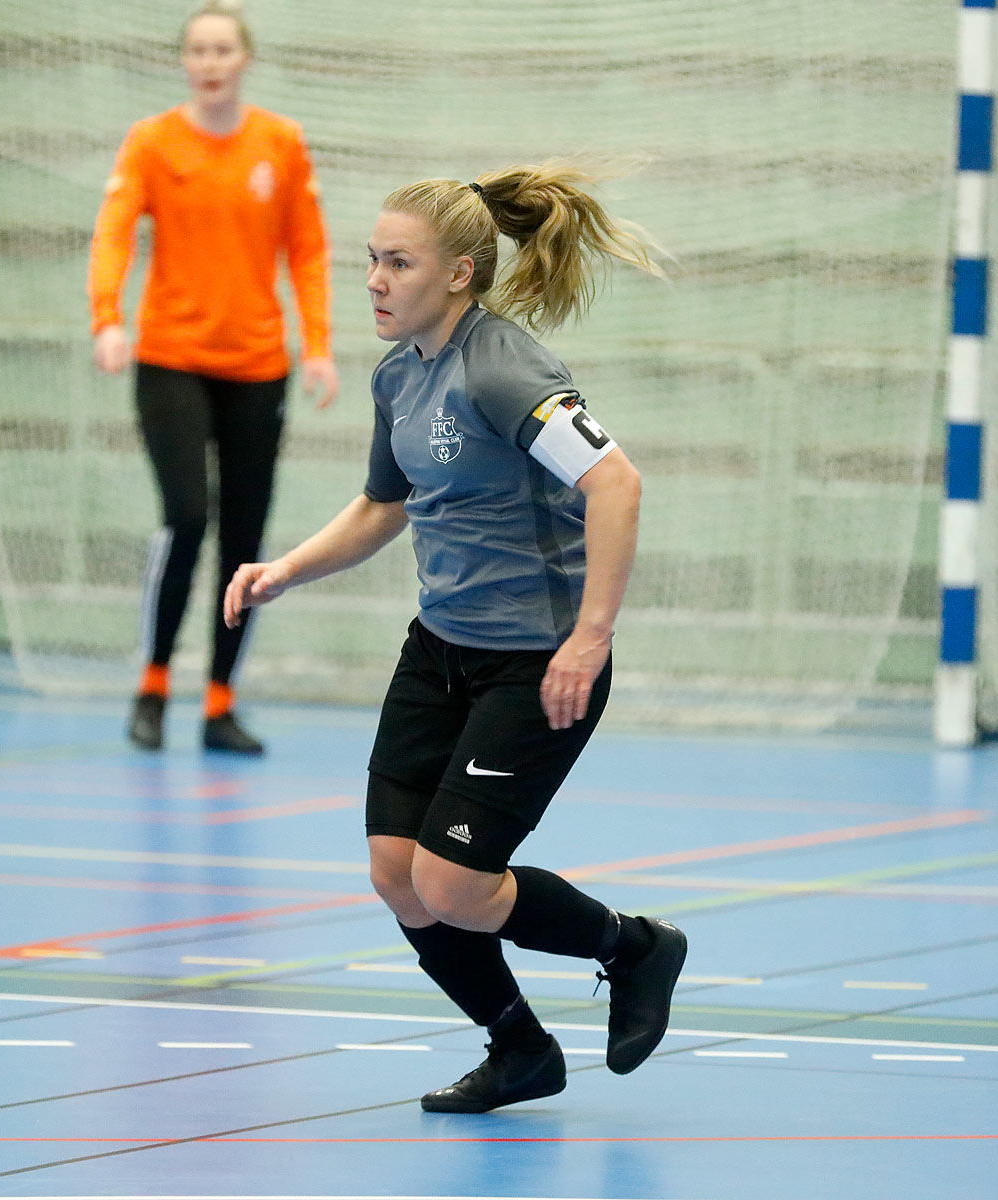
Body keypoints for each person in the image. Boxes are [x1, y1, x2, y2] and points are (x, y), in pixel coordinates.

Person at [224, 163, 687, 1113]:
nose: (376, 281)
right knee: (397, 877)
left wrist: (588, 639)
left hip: (535, 664)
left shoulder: (504, 365)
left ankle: (635, 948)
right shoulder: (398, 377)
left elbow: (617, 485)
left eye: (399, 263)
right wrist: (284, 570)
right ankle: (519, 1047)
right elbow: (381, 506)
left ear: (462, 274)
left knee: (455, 883)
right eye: (371, 261)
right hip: (438, 652)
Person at [89, 0, 337, 755]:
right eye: (198, 48)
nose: (210, 60)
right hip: (170, 361)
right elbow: (114, 231)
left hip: (257, 366)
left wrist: (318, 343)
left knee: (245, 537)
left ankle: (221, 702)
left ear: (244, 57)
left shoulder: (281, 144)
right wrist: (108, 316)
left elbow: (309, 250)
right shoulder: (152, 142)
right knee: (187, 516)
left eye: (224, 48)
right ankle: (154, 686)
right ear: (185, 61)